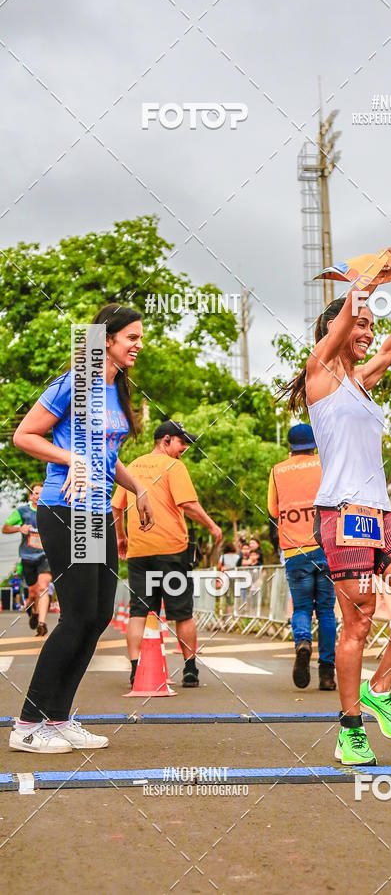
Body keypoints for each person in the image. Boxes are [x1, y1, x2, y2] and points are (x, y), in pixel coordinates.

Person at [281, 268, 391, 766]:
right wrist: (366, 283)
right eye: (362, 323)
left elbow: (390, 352)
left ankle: (381, 687)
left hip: (380, 511)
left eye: (371, 324)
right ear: (337, 330)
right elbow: (348, 314)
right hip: (342, 513)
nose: (369, 332)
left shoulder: (362, 380)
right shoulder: (319, 375)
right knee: (358, 623)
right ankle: (350, 730)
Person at [9, 304, 154, 754]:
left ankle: (58, 717)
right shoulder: (75, 382)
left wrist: (138, 489)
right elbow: (25, 435)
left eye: (140, 336)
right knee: (75, 617)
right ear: (104, 340)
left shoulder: (116, 390)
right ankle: (29, 724)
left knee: (96, 617)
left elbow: (108, 457)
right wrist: (72, 458)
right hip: (64, 508)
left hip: (97, 513)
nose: (138, 344)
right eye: (130, 336)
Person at [112, 419, 222, 688]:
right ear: (166, 440)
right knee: (182, 612)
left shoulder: (131, 467)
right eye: (181, 442)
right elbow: (188, 504)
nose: (184, 447)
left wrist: (121, 538)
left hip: (140, 551)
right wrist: (211, 525)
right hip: (172, 550)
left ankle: (136, 669)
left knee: (140, 610)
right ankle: (189, 669)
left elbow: (116, 508)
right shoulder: (174, 466)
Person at [267, 423, 337, 690]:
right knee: (327, 612)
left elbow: (273, 510)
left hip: (295, 550)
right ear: (314, 443)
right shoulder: (325, 465)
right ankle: (327, 674)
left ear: (290, 447)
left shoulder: (277, 471)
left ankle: (303, 642)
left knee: (302, 607)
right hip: (327, 547)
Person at [3, 483, 52, 635]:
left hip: (45, 556)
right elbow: (5, 528)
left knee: (43, 588)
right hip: (28, 557)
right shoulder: (22, 512)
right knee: (32, 593)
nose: (38, 497)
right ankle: (34, 612)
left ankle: (42, 624)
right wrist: (19, 528)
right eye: (35, 493)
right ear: (31, 496)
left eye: (42, 494)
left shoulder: (51, 512)